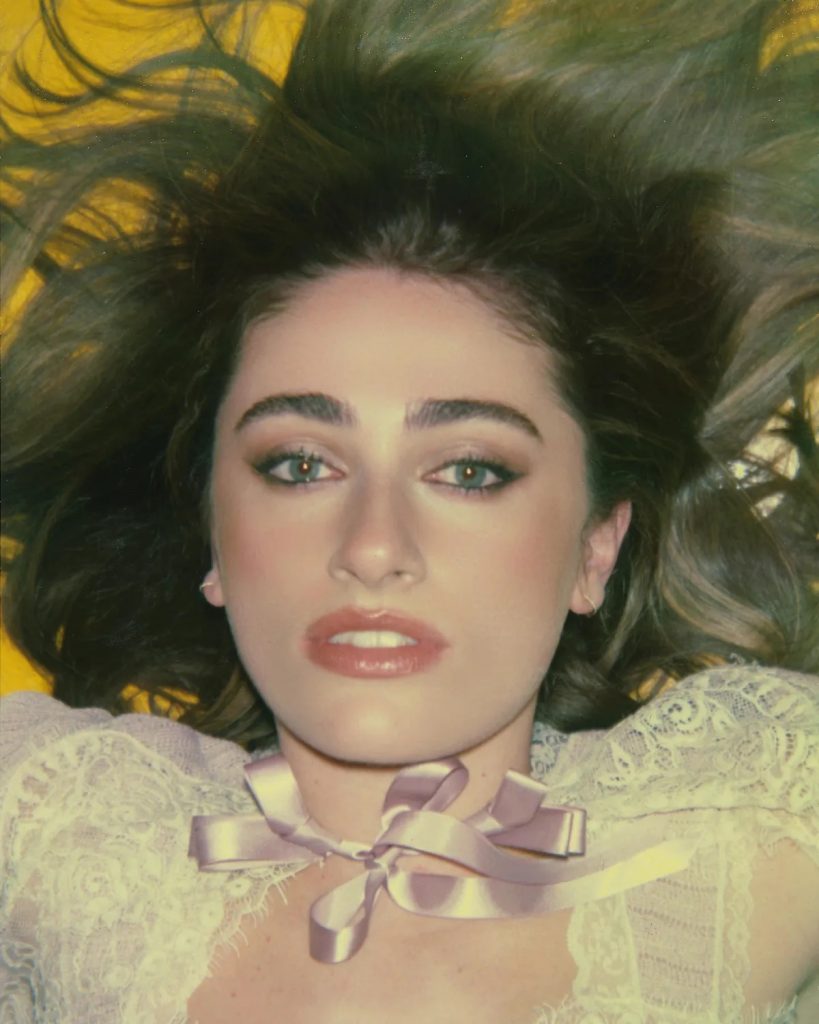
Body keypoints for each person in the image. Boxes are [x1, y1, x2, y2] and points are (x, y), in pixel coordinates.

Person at [1, 0, 818, 1020]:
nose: (374, 547)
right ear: (211, 530)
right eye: (300, 464)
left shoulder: (765, 816)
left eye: (469, 470)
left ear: (596, 548)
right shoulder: (49, 835)